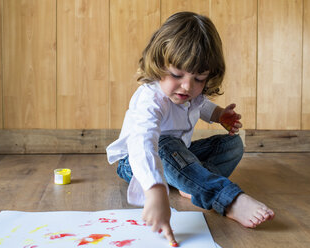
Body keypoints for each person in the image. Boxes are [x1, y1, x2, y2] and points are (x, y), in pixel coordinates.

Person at [106, 11, 274, 244]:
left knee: (232, 145)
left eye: (199, 78)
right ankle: (229, 199)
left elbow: (202, 105)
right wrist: (154, 191)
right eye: (177, 74)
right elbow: (142, 143)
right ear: (158, 63)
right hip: (135, 162)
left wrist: (219, 115)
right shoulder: (150, 100)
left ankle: (192, 181)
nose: (187, 86)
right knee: (165, 145)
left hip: (179, 155)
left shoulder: (190, 93)